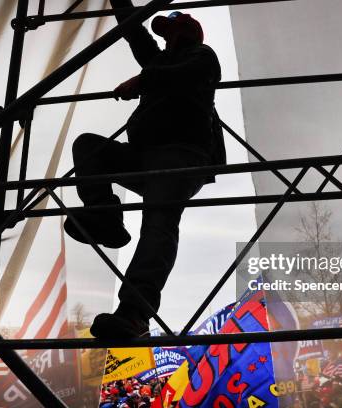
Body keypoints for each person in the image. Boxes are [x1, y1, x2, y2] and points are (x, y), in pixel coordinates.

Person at [66, 0, 224, 338]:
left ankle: (135, 313)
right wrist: (119, 1)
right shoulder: (160, 61)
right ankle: (104, 214)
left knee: (159, 225)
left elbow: (186, 76)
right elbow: (135, 32)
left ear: (189, 32)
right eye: (165, 34)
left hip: (182, 156)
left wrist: (143, 80)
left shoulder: (203, 55)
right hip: (146, 156)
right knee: (89, 146)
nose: (167, 39)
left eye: (172, 30)